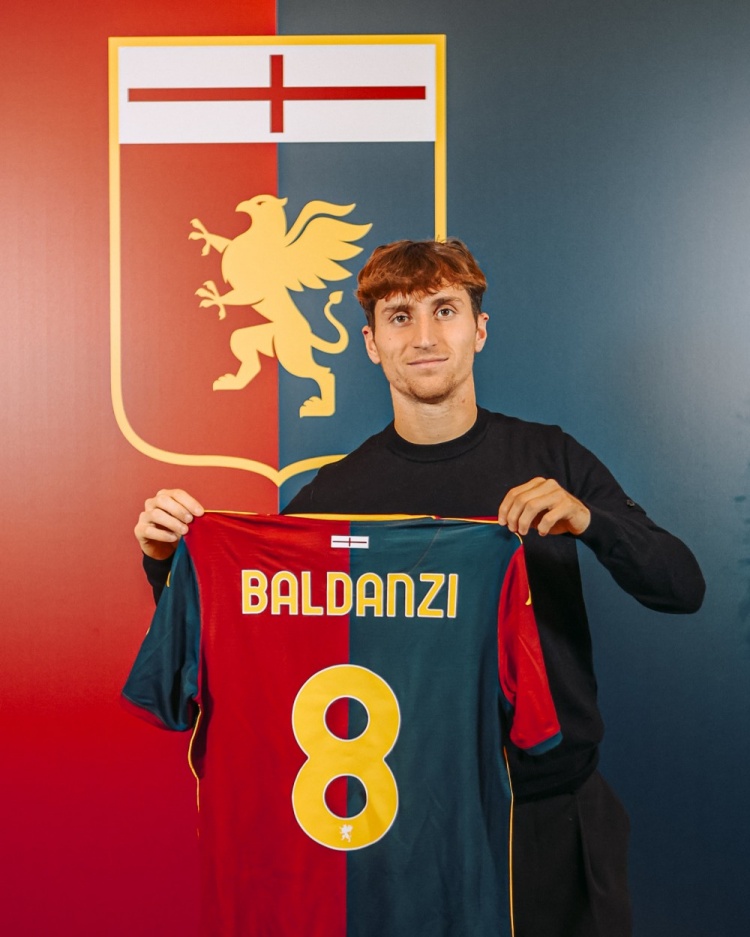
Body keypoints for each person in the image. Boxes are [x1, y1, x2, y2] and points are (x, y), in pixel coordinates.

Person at [134, 238, 705, 937]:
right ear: (371, 343)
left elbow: (682, 585)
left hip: (551, 812)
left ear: (479, 330)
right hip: (412, 823)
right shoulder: (334, 500)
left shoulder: (550, 457)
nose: (425, 337)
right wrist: (168, 562)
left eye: (445, 311)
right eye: (400, 317)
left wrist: (589, 520)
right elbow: (249, 650)